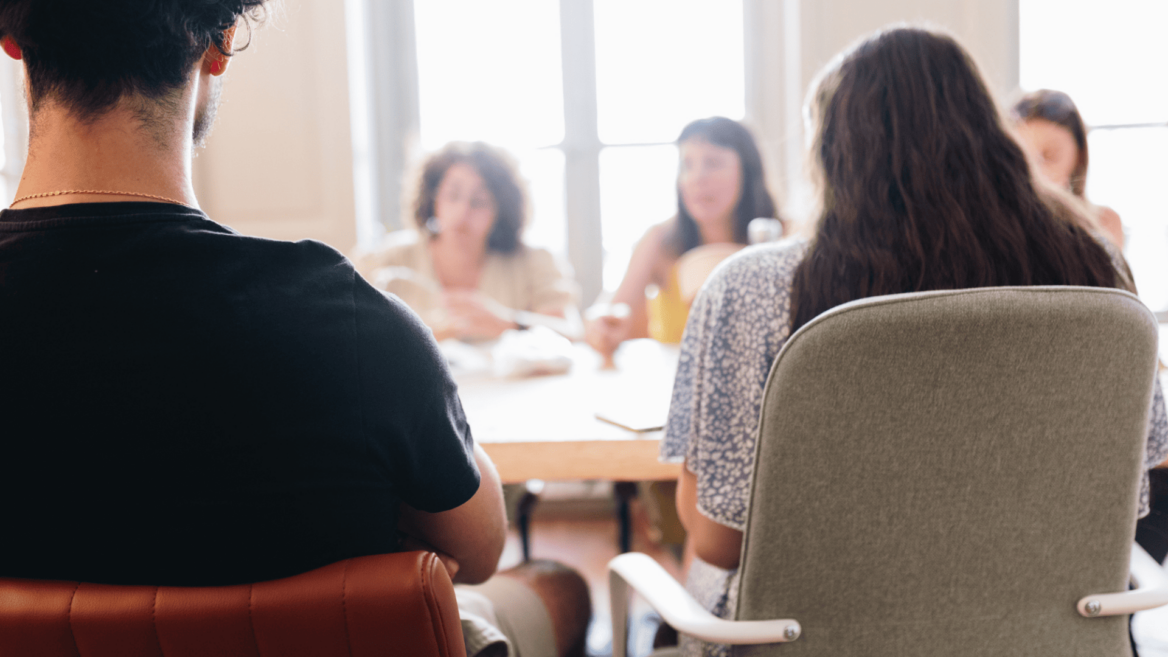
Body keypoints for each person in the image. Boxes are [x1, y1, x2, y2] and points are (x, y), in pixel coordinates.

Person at [0, 3, 588, 657]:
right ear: (220, 42)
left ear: (12, 40)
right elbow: (479, 548)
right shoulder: (349, 321)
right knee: (559, 587)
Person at [659, 27, 1168, 657]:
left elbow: (717, 539)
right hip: (1037, 641)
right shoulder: (1094, 272)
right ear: (990, 135)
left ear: (830, 151)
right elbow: (1124, 505)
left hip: (805, 641)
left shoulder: (753, 286)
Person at [585, 117, 780, 360]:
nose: (697, 177)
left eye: (713, 163)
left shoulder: (783, 237)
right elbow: (612, 311)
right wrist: (603, 327)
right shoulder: (660, 240)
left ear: (747, 171)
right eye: (687, 165)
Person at [354, 141, 582, 342]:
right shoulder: (385, 260)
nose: (463, 212)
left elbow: (573, 332)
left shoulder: (534, 261)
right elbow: (350, 333)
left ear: (500, 211)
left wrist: (509, 323)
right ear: (433, 198)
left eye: (480, 201)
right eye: (453, 196)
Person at [1012, 89, 1125, 248]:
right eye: (1024, 156)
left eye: (1049, 156)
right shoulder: (1006, 225)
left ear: (1079, 156)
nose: (1036, 172)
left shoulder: (1105, 223)